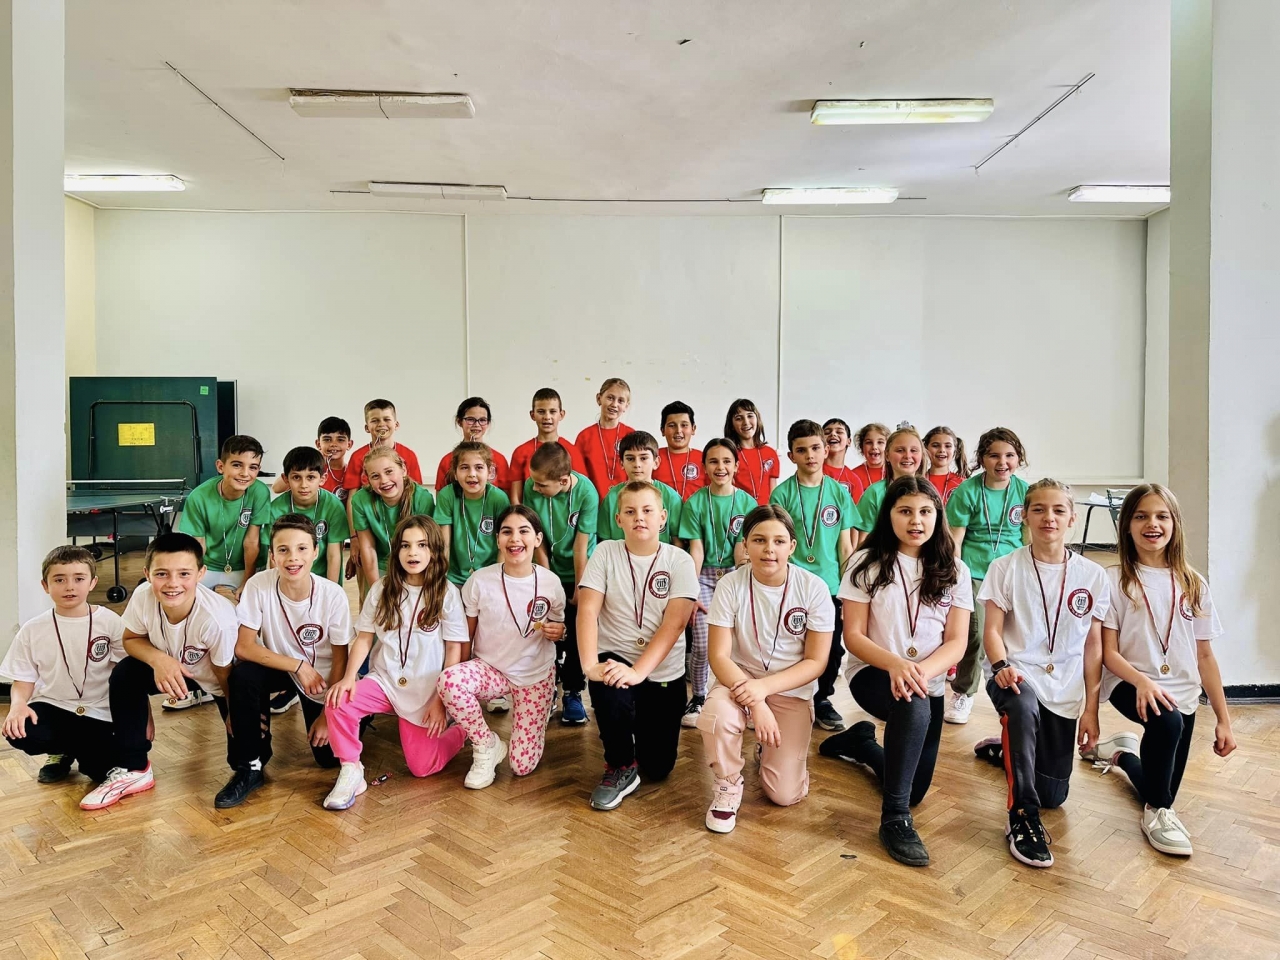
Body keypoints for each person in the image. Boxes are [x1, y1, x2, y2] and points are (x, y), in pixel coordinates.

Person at [823, 476, 972, 867]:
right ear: (888, 515)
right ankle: (894, 819)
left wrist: (918, 671)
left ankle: (860, 744)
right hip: (873, 670)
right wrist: (896, 664)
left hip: (926, 678)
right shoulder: (865, 563)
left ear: (938, 516)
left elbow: (957, 642)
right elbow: (854, 636)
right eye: (905, 511)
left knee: (914, 787)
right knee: (913, 708)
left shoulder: (956, 569)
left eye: (925, 512)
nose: (915, 521)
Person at [1085, 484, 1236, 857]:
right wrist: (1142, 682)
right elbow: (1108, 653)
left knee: (1160, 786)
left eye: (1161, 516)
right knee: (1166, 730)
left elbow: (1205, 656)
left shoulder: (1193, 583)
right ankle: (1156, 816)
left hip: (1182, 691)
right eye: (1141, 516)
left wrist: (1224, 720)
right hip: (1128, 680)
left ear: (1175, 524)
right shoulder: (1113, 579)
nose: (1152, 524)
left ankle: (1122, 755)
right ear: (1127, 525)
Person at [970, 479, 1110, 868]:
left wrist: (1091, 709)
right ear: (1025, 516)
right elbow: (992, 631)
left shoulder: (1093, 576)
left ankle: (1008, 750)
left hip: (1064, 687)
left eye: (1058, 510)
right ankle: (1022, 817)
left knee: (1053, 795)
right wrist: (1001, 666)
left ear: (1072, 518)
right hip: (1015, 673)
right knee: (1021, 707)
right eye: (1039, 509)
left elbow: (1093, 646)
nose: (1049, 517)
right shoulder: (1004, 567)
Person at [698, 506, 833, 833]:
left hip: (790, 689)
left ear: (792, 546)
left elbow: (816, 662)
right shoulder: (730, 585)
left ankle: (777, 757)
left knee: (784, 795)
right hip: (738, 681)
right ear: (745, 545)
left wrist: (764, 690)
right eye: (759, 540)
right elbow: (719, 656)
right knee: (716, 715)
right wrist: (756, 701)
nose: (769, 549)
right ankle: (728, 784)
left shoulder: (814, 588)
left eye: (778, 541)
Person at [80, 534, 238, 810]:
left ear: (201, 573)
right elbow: (131, 639)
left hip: (221, 678)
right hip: (173, 671)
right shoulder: (143, 596)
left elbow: (225, 671)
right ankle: (135, 767)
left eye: (184, 573)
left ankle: (249, 765)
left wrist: (235, 712)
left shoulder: (217, 618)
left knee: (248, 752)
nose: (173, 583)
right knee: (125, 673)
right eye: (162, 574)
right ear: (147, 574)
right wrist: (159, 661)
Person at [323, 516, 467, 809]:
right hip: (385, 681)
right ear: (396, 550)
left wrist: (441, 701)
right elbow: (364, 638)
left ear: (434, 551)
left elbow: (455, 649)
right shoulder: (381, 589)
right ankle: (351, 769)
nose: (413, 553)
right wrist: (349, 678)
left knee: (422, 768)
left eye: (422, 545)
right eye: (405, 545)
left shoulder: (447, 593)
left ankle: (461, 731)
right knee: (338, 701)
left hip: (425, 690)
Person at [577, 481, 698, 810]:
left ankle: (636, 729)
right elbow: (587, 610)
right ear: (618, 519)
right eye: (630, 511)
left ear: (662, 518)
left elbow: (675, 624)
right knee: (607, 681)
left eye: (647, 511)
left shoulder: (680, 560)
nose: (639, 517)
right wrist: (590, 666)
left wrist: (638, 672)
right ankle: (620, 765)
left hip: (661, 671)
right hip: (616, 658)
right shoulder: (605, 552)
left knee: (658, 767)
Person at [217, 514, 352, 808]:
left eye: (302, 548)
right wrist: (298, 666)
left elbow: (341, 659)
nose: (293, 558)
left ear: (315, 551)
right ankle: (250, 765)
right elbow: (244, 647)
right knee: (243, 676)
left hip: (323, 679)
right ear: (272, 555)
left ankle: (358, 717)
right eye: (283, 550)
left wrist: (328, 715)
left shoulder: (333, 595)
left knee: (327, 758)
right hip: (286, 668)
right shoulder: (258, 585)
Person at [437, 505, 567, 788]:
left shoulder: (551, 582)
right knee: (450, 681)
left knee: (521, 766)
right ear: (497, 539)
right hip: (491, 669)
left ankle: (537, 716)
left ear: (538, 539)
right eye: (506, 532)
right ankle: (487, 745)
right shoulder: (479, 581)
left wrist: (560, 632)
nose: (515, 539)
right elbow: (466, 635)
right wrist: (457, 685)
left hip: (534, 675)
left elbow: (559, 627)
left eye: (524, 531)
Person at [2, 546, 124, 786]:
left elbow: (128, 674)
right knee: (20, 729)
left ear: (92, 582)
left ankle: (78, 749)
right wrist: (17, 705)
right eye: (59, 580)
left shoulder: (110, 621)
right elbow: (23, 678)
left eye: (79, 579)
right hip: (55, 706)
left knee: (99, 771)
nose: (70, 587)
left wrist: (143, 717)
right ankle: (60, 751)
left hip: (100, 710)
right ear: (45, 585)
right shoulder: (33, 629)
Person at [769, 419, 856, 733]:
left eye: (816, 448)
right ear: (791, 455)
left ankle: (822, 699)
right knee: (789, 645)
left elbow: (845, 547)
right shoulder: (781, 495)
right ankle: (784, 697)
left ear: (826, 449)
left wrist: (848, 591)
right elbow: (776, 542)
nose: (810, 455)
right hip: (791, 583)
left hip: (829, 586)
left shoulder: (838, 493)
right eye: (802, 450)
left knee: (831, 649)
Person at [944, 427, 1030, 724]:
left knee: (1018, 633)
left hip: (1014, 570)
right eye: (994, 455)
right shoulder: (967, 491)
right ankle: (963, 692)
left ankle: (1020, 692)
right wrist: (956, 577)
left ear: (1018, 458)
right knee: (977, 634)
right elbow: (955, 539)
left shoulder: (1025, 492)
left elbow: (1028, 536)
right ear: (982, 458)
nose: (1002, 462)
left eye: (1009, 455)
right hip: (976, 571)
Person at [677, 438, 756, 727]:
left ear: (736, 466)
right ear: (704, 467)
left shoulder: (747, 503)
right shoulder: (695, 503)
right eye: (713, 461)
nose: (720, 467)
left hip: (736, 576)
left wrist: (744, 583)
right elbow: (696, 549)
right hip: (705, 578)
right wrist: (691, 590)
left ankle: (743, 697)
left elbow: (743, 548)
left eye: (726, 461)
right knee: (701, 644)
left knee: (741, 645)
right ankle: (699, 696)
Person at [523, 442, 599, 725]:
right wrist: (547, 580)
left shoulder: (587, 492)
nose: (535, 488)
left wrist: (580, 587)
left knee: (578, 632)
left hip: (582, 571)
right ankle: (547, 690)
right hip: (549, 568)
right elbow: (537, 538)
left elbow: (581, 546)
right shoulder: (533, 487)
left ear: (564, 481)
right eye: (534, 482)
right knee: (547, 630)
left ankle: (573, 692)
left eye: (542, 485)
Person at [178, 434, 270, 602]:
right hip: (209, 565)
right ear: (220, 466)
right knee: (188, 600)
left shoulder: (260, 492)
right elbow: (199, 544)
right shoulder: (199, 497)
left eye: (253, 467)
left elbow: (251, 542)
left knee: (251, 606)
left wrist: (247, 581)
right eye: (237, 465)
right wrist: (192, 577)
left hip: (246, 566)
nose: (245, 473)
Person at [260, 446, 350, 582]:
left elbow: (334, 555)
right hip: (288, 578)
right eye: (296, 477)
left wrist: (330, 589)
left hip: (322, 580)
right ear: (286, 479)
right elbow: (274, 556)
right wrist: (279, 587)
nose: (304, 485)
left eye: (311, 477)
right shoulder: (275, 509)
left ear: (322, 478)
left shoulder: (333, 506)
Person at [350, 448, 435, 584]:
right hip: (380, 564)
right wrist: (376, 589)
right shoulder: (360, 500)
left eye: (389, 472)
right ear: (368, 480)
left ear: (403, 470)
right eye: (375, 476)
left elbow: (426, 546)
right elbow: (368, 548)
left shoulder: (422, 499)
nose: (384, 480)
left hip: (414, 562)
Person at [596, 432, 684, 544]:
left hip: (659, 555)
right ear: (621, 463)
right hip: (619, 555)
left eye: (643, 458)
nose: (637, 464)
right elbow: (604, 540)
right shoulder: (612, 497)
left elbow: (678, 542)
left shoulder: (671, 497)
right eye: (630, 459)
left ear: (656, 462)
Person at [849, 426, 929, 544]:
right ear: (887, 455)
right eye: (900, 450)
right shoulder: (874, 493)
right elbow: (863, 540)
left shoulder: (929, 493)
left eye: (913, 450)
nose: (907, 456)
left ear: (921, 455)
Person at [508, 388, 587, 504]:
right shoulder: (520, 452)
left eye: (552, 411)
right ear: (532, 415)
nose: (547, 417)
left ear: (561, 414)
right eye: (541, 411)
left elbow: (581, 489)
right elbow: (515, 498)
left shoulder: (572, 451)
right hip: (530, 513)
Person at [434, 397, 511, 492]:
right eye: (470, 419)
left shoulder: (499, 459)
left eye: (482, 420)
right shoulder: (447, 460)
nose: (477, 424)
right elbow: (441, 497)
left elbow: (506, 497)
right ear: (459, 421)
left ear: (488, 423)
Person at [575, 377, 635, 497]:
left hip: (626, 501)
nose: (614, 404)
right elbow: (579, 477)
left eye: (620, 401)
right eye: (610, 398)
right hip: (593, 502)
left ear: (626, 406)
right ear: (599, 398)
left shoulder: (631, 435)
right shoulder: (585, 437)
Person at [270, 416, 353, 502]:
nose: (333, 444)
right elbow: (276, 488)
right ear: (318, 444)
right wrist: (319, 459)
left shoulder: (353, 471)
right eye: (327, 439)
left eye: (340, 440)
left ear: (349, 444)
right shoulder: (310, 468)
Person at [724, 398, 779, 505]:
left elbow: (773, 491)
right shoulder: (729, 454)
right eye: (739, 418)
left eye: (750, 416)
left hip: (765, 511)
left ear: (757, 419)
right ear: (732, 425)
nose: (746, 422)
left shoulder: (770, 453)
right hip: (738, 510)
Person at [654, 401, 705, 499]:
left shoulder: (704, 458)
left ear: (693, 429)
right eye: (672, 425)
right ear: (662, 430)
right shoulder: (652, 458)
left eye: (684, 425)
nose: (678, 430)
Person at [922, 425, 969, 506]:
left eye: (948, 446)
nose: (942, 450)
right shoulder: (917, 480)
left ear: (955, 450)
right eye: (935, 445)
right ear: (925, 448)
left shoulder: (962, 484)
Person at [822, 418, 860, 500]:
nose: (833, 434)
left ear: (848, 441)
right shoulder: (812, 471)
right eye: (827, 432)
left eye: (839, 432)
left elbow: (858, 508)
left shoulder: (854, 480)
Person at [849, 423, 889, 495]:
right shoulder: (853, 475)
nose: (874, 447)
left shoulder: (894, 472)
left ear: (888, 447)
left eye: (880, 442)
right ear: (861, 447)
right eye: (869, 442)